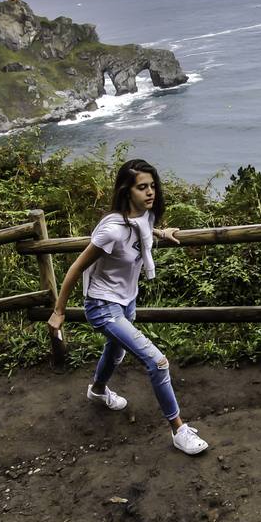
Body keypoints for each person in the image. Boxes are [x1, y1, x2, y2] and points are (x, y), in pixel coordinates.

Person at [48, 159, 210, 455]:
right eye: (142, 187)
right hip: (102, 305)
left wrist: (162, 232)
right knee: (158, 362)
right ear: (127, 191)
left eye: (152, 186)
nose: (150, 193)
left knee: (116, 350)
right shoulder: (111, 230)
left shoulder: (144, 217)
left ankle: (97, 391)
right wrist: (59, 311)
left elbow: (144, 232)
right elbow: (75, 268)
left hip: (126, 300)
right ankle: (179, 430)